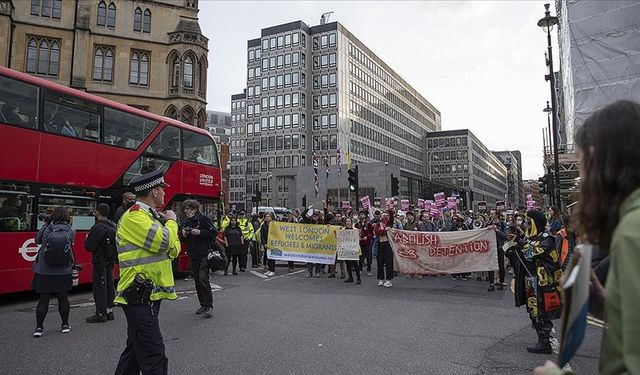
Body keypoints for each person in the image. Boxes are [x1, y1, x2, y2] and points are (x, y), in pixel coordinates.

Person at [534, 101, 640, 374]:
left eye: (581, 165)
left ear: (600, 162)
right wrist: (608, 306)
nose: (582, 180)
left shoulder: (632, 231)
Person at [114, 170, 181, 375]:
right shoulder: (135, 217)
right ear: (153, 192)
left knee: (135, 352)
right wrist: (172, 222)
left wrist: (168, 231)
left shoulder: (151, 217)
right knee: (154, 355)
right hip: (139, 295)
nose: (164, 193)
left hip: (148, 294)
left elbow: (173, 249)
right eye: (162, 189)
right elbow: (164, 241)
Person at [507, 210, 561, 355]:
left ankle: (545, 342)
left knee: (541, 311)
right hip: (530, 280)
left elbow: (535, 252)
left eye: (528, 221)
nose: (525, 223)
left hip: (542, 282)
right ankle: (542, 339)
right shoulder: (528, 236)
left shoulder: (546, 238)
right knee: (533, 311)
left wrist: (520, 242)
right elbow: (523, 252)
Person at [31, 206, 75, 337]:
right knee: (63, 298)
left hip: (44, 270)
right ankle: (65, 325)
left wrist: (46, 223)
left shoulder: (46, 229)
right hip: (63, 270)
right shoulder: (70, 230)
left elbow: (36, 240)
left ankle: (39, 328)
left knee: (43, 300)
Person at [179, 199, 215, 317]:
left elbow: (213, 232)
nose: (186, 211)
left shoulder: (203, 219)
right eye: (185, 209)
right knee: (197, 281)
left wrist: (199, 232)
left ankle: (209, 306)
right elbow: (184, 239)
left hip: (204, 253)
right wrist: (183, 235)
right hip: (193, 254)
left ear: (194, 209)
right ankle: (203, 305)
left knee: (203, 279)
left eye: (188, 208)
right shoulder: (186, 221)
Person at [84, 203, 117, 323]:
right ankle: (109, 311)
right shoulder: (112, 225)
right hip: (110, 260)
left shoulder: (97, 228)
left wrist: (86, 239)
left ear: (98, 212)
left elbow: (89, 246)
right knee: (109, 285)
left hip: (100, 261)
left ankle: (101, 313)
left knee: (100, 287)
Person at [486, 210, 508, 292]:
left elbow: (505, 236)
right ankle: (491, 283)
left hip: (500, 247)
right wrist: (486, 229)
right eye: (490, 213)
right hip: (490, 247)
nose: (490, 215)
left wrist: (497, 230)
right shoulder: (488, 223)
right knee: (490, 266)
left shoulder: (503, 224)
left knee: (501, 265)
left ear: (497, 215)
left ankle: (501, 282)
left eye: (492, 213)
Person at [373, 210, 394, 287]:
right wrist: (385, 230)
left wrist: (390, 211)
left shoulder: (389, 223)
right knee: (380, 262)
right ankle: (380, 279)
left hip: (388, 244)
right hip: (380, 244)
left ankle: (389, 280)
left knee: (389, 263)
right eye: (383, 215)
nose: (384, 217)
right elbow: (376, 231)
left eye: (386, 215)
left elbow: (392, 218)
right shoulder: (378, 224)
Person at [342, 218, 362, 284]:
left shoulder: (355, 230)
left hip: (354, 249)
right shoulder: (343, 230)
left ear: (351, 222)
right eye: (347, 221)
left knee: (355, 264)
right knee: (347, 263)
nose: (348, 222)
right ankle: (350, 277)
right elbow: (340, 239)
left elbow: (358, 239)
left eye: (349, 221)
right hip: (346, 249)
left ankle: (358, 278)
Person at [355, 211, 373, 276]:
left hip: (367, 242)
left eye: (362, 214)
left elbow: (371, 233)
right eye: (360, 215)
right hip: (360, 242)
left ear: (365, 216)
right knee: (360, 256)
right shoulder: (357, 224)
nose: (361, 216)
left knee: (368, 256)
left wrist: (367, 237)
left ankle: (369, 269)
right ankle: (360, 269)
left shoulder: (369, 224)